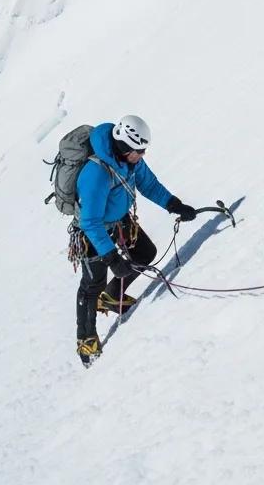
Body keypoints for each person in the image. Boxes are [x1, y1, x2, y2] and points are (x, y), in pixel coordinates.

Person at [74, 115, 196, 367]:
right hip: (92, 232)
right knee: (91, 285)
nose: (142, 155)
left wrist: (174, 204)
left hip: (119, 221)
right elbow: (90, 221)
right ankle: (86, 340)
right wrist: (110, 256)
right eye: (139, 151)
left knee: (144, 253)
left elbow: (148, 185)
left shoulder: (130, 162)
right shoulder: (96, 172)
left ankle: (113, 295)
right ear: (125, 148)